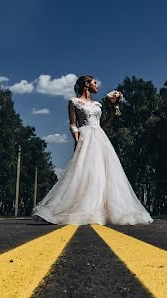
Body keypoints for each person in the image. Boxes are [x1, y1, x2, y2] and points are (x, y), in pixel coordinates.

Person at [33, 75, 153, 225]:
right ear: (86, 84)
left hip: (100, 138)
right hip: (85, 137)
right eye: (95, 83)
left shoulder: (98, 105)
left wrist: (113, 110)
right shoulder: (74, 102)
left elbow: (104, 125)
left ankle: (104, 210)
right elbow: (73, 124)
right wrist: (77, 140)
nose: (98, 86)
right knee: (85, 172)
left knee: (103, 172)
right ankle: (81, 208)